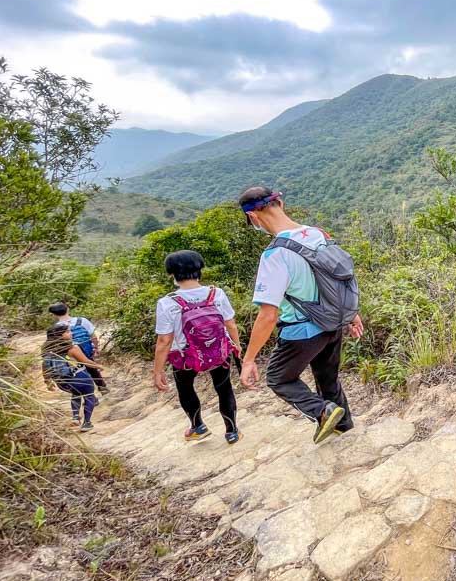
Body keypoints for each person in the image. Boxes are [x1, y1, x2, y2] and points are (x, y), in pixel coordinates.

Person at [237, 187, 364, 444]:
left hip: (302, 331)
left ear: (253, 217)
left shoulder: (275, 255)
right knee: (328, 380)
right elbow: (340, 278)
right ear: (280, 203)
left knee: (279, 378)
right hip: (331, 324)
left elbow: (268, 315)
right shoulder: (318, 234)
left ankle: (322, 412)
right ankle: (344, 428)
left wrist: (249, 359)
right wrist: (352, 313)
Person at [153, 250, 243, 444]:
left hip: (184, 358)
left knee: (186, 389)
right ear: (200, 269)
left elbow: (164, 341)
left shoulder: (167, 302)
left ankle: (198, 427)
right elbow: (230, 324)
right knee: (224, 389)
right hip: (218, 352)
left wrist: (158, 370)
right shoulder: (216, 293)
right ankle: (232, 431)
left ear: (172, 274)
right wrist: (236, 345)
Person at [42, 322, 102, 432]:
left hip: (62, 383)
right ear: (60, 335)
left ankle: (75, 417)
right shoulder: (72, 347)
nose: (71, 333)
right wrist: (98, 366)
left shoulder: (47, 350)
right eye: (68, 331)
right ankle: (87, 423)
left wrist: (47, 381)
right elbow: (86, 361)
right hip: (80, 378)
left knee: (76, 393)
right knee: (90, 396)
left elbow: (45, 367)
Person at [48, 302, 107, 394]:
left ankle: (89, 395)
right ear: (67, 309)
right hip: (87, 350)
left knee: (79, 372)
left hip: (70, 355)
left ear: (53, 314)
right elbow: (93, 337)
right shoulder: (82, 320)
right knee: (92, 367)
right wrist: (95, 348)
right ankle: (102, 387)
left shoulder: (56, 327)